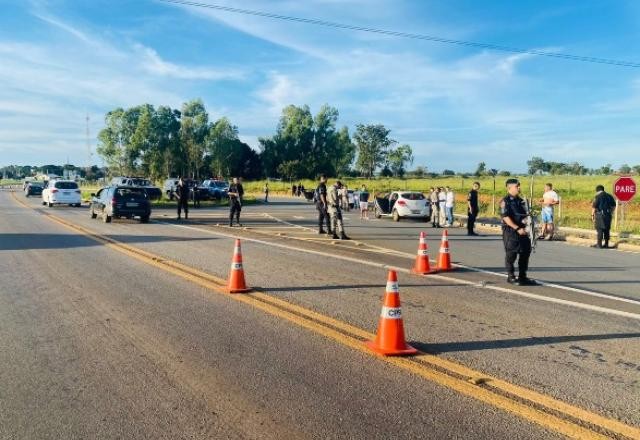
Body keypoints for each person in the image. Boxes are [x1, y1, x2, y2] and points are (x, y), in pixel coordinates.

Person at [500, 179, 536, 286]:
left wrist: (528, 222)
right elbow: (505, 217)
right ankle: (511, 276)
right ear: (509, 188)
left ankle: (522, 276)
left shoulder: (521, 201)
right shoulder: (505, 201)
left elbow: (524, 216)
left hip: (523, 230)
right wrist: (517, 228)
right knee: (511, 254)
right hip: (511, 231)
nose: (519, 188)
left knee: (525, 252)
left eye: (519, 186)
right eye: (517, 186)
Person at [591, 184, 616, 249]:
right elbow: (613, 206)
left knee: (600, 229)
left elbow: (594, 207)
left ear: (597, 190)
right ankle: (606, 244)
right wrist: (611, 212)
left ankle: (599, 245)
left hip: (600, 215)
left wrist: (592, 215)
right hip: (608, 215)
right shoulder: (609, 196)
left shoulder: (598, 196)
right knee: (607, 229)